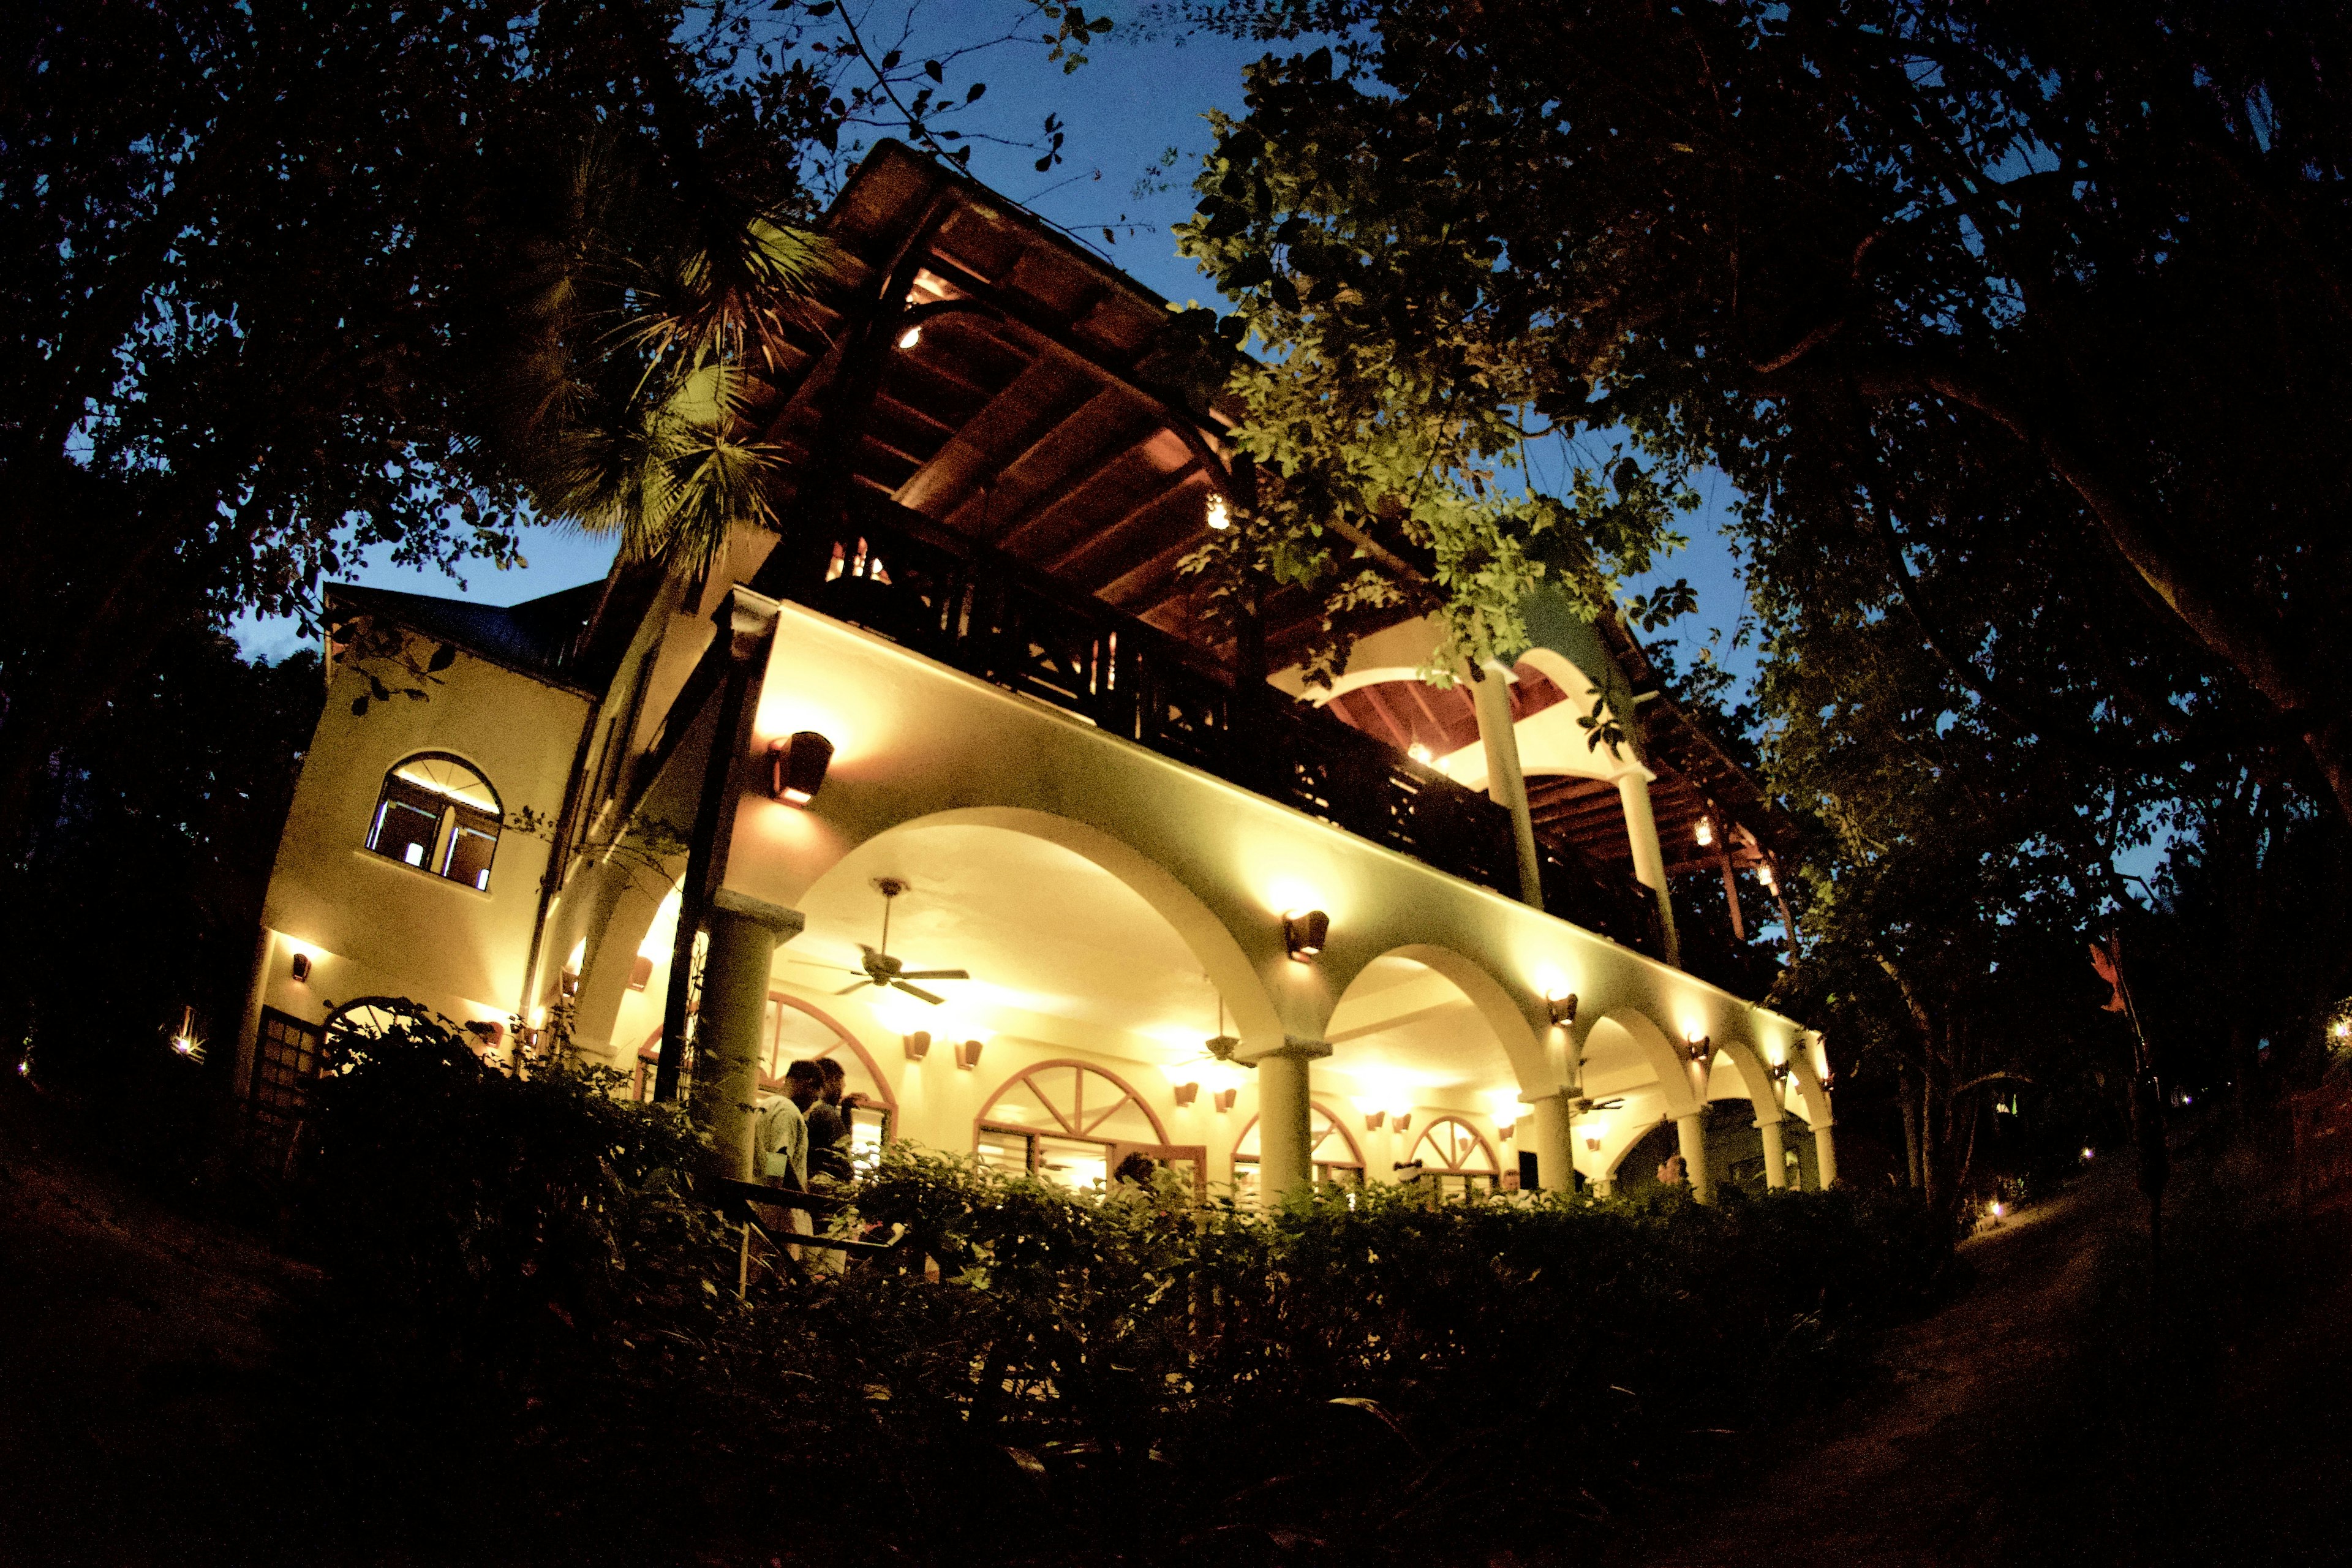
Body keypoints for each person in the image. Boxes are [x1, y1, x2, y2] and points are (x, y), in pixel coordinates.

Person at [807, 1056, 855, 1185]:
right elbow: (844, 1146)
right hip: (826, 1186)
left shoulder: (810, 1110)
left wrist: (846, 1110)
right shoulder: (826, 1112)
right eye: (841, 1083)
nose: (843, 1088)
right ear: (832, 1081)